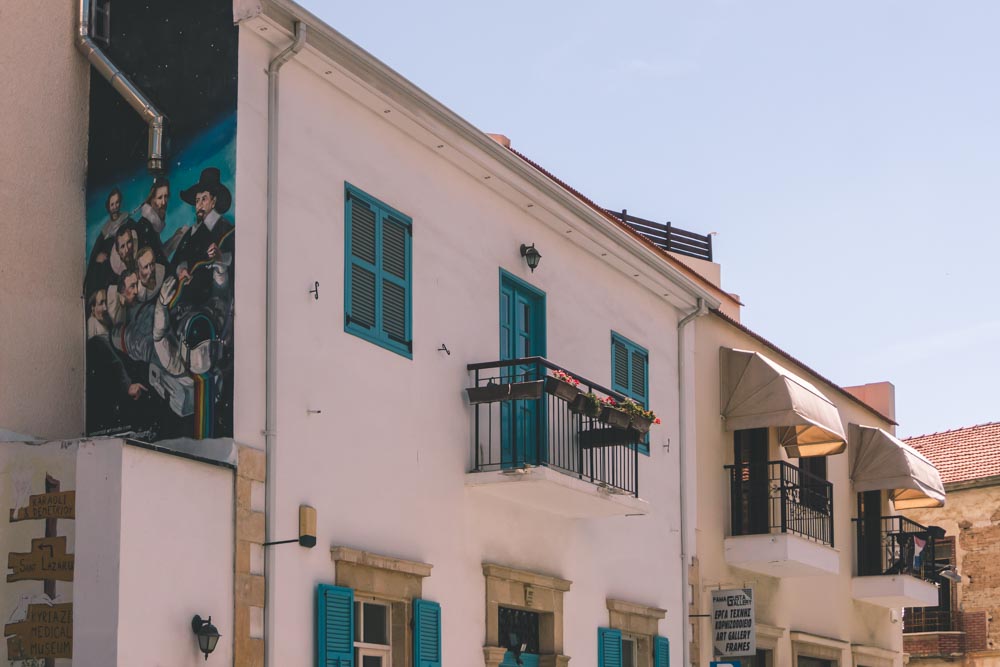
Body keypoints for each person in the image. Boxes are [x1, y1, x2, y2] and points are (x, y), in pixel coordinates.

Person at [169, 168, 234, 305]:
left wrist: (220, 258)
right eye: (197, 200)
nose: (199, 205)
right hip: (187, 301)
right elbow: (179, 259)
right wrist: (181, 270)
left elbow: (233, 262)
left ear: (213, 202)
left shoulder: (226, 230)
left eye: (204, 199)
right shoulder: (189, 233)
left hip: (212, 302)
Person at [85, 187, 133, 294]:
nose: (115, 207)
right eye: (112, 205)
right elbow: (97, 251)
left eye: (117, 203)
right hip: (111, 266)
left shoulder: (126, 219)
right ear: (108, 207)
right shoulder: (106, 229)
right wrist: (98, 257)